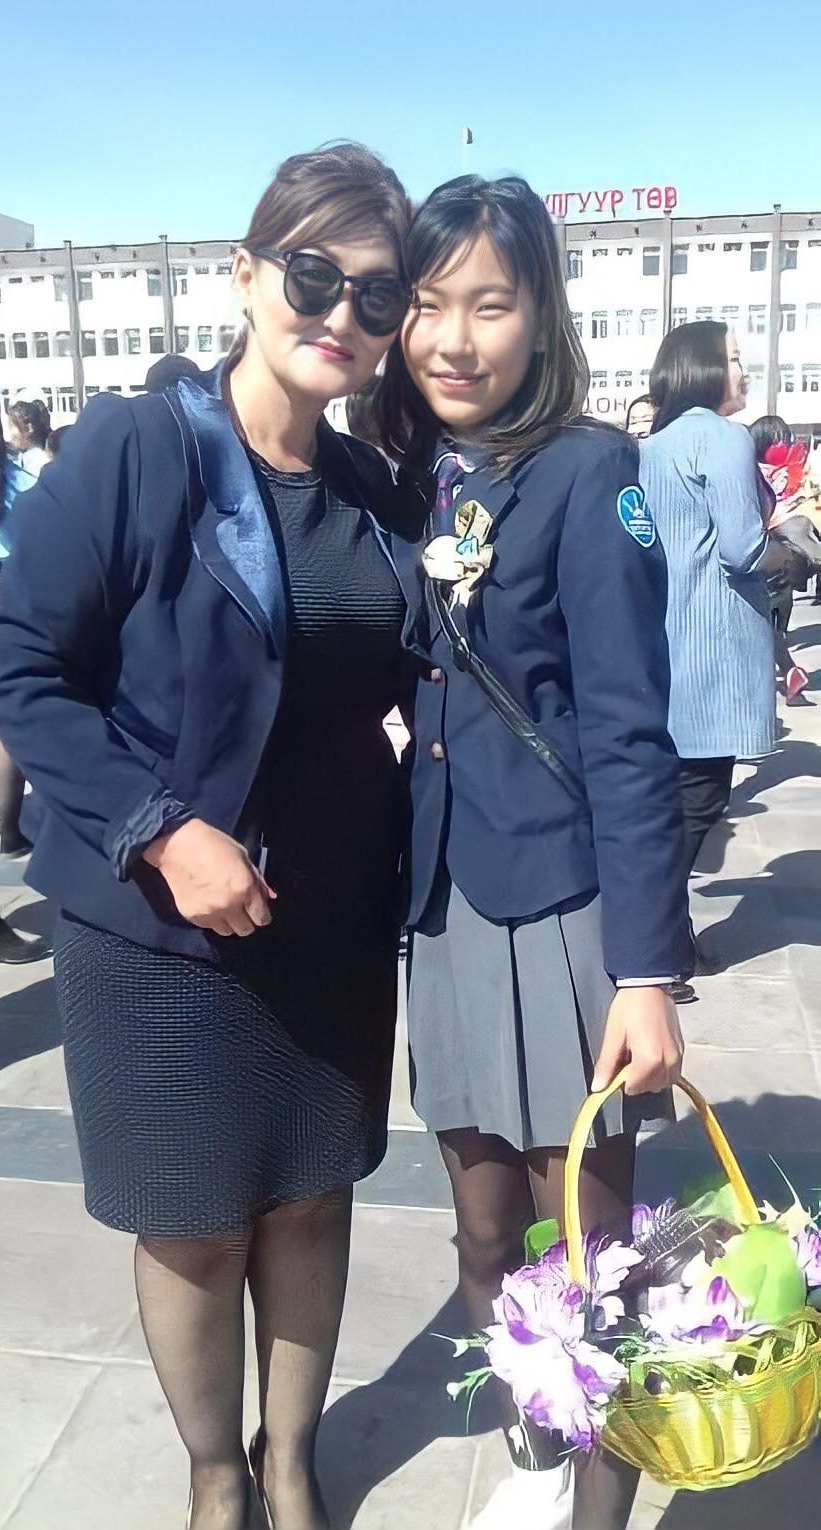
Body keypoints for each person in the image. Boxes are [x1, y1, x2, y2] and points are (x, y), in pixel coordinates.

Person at [0, 142, 415, 1530]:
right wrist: (160, 829)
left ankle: (291, 1462)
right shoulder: (140, 446)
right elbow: (20, 665)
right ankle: (217, 1478)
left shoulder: (370, 486)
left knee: (311, 1197)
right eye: (315, 276)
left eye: (376, 294)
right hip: (159, 932)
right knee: (193, 1221)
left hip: (331, 921)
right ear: (245, 274)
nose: (341, 314)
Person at [377, 175, 689, 1530]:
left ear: (539, 312)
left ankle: (597, 1502)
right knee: (484, 1228)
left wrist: (648, 971)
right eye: (427, 303)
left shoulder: (587, 473)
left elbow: (629, 731)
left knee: (592, 1251)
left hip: (564, 907)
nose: (453, 337)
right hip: (446, 901)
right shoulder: (408, 472)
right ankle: (537, 1448)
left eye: (488, 303)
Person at [639, 322, 775, 1001]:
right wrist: (793, 545)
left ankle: (665, 937)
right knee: (700, 800)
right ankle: (658, 947)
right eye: (734, 359)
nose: (743, 371)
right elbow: (743, 549)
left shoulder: (654, 443)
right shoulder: (724, 437)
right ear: (702, 368)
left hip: (664, 640)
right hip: (714, 644)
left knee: (674, 800)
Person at [0, 393, 51, 962]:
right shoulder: (19, 476)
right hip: (8, 600)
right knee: (4, 723)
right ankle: (9, 831)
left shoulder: (19, 475)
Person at [750, 415, 818, 703]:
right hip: (786, 563)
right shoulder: (795, 474)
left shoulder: (752, 473)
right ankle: (790, 677)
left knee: (767, 629)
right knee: (775, 628)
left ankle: (782, 678)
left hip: (769, 562)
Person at [6, 398, 52, 476]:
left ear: (29, 428)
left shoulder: (39, 463)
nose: (10, 432)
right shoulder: (22, 457)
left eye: (12, 426)